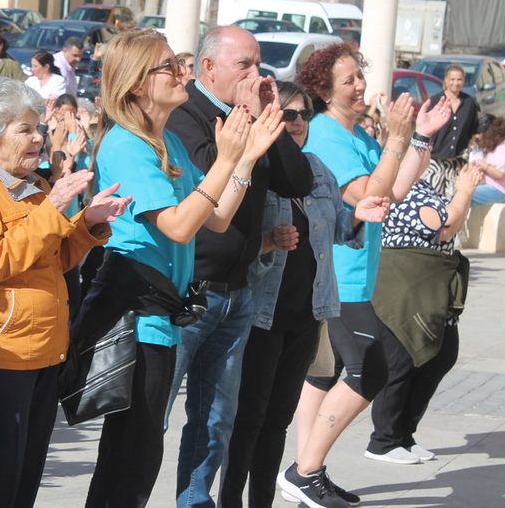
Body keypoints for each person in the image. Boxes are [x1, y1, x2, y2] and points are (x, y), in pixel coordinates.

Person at [83, 28, 285, 507]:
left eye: (180, 63)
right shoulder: (126, 144)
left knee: (141, 449)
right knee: (132, 451)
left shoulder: (166, 140)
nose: (183, 72)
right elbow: (177, 225)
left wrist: (246, 158)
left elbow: (215, 218)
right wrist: (228, 160)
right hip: (137, 313)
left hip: (164, 316)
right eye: (169, 66)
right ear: (137, 84)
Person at [0, 77, 124, 507]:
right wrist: (55, 206)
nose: (38, 137)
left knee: (23, 478)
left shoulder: (32, 186)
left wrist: (88, 224)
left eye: (38, 126)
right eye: (24, 129)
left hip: (40, 348)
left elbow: (52, 260)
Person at [282, 42, 451, 508]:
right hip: (339, 271)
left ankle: (305, 473)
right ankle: (305, 470)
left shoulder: (354, 133)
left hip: (357, 270)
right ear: (323, 89)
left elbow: (393, 188)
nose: (360, 86)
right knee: (368, 368)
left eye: (361, 76)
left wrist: (417, 138)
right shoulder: (327, 136)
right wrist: (398, 138)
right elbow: (364, 197)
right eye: (349, 79)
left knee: (323, 374)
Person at [163, 27, 315, 508]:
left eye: (259, 63)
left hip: (240, 290)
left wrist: (269, 116)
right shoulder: (186, 112)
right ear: (209, 68)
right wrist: (246, 119)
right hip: (190, 290)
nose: (256, 74)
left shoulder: (250, 116)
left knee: (216, 417)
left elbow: (297, 180)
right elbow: (212, 177)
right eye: (243, 65)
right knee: (156, 412)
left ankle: (194, 500)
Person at [221, 81, 389, 508]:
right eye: (288, 113)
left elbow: (336, 229)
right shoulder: (254, 164)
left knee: (277, 421)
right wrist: (270, 240)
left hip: (307, 313)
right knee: (249, 419)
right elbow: (227, 237)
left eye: (303, 115)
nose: (296, 122)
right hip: (261, 313)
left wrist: (357, 217)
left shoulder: (316, 168)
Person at [365, 162, 481, 464]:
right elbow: (441, 229)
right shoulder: (398, 189)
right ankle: (384, 441)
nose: (428, 156)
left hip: (432, 283)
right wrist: (464, 192)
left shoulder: (428, 184)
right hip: (402, 285)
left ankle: (405, 434)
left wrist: (462, 193)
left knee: (440, 355)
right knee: (401, 361)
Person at [428, 64, 478, 197]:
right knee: (433, 198)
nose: (456, 83)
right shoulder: (436, 101)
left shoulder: (469, 103)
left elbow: (473, 130)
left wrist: (467, 151)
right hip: (435, 159)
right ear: (446, 80)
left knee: (454, 199)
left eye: (459, 79)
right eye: (452, 79)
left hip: (458, 161)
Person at [468, 114, 505, 206]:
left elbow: (500, 174)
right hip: (485, 185)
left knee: (466, 195)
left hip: (499, 189)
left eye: (479, 133)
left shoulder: (503, 147)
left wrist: (482, 164)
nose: (477, 136)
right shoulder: (484, 146)